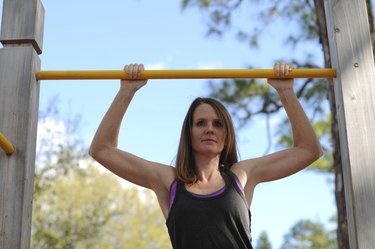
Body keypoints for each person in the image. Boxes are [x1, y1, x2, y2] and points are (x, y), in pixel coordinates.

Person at [89, 62, 323, 249]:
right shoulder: (168, 182)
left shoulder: (241, 176)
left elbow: (308, 150)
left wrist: (286, 92)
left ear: (227, 134)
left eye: (218, 124)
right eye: (201, 123)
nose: (210, 129)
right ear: (188, 133)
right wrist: (126, 92)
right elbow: (102, 150)